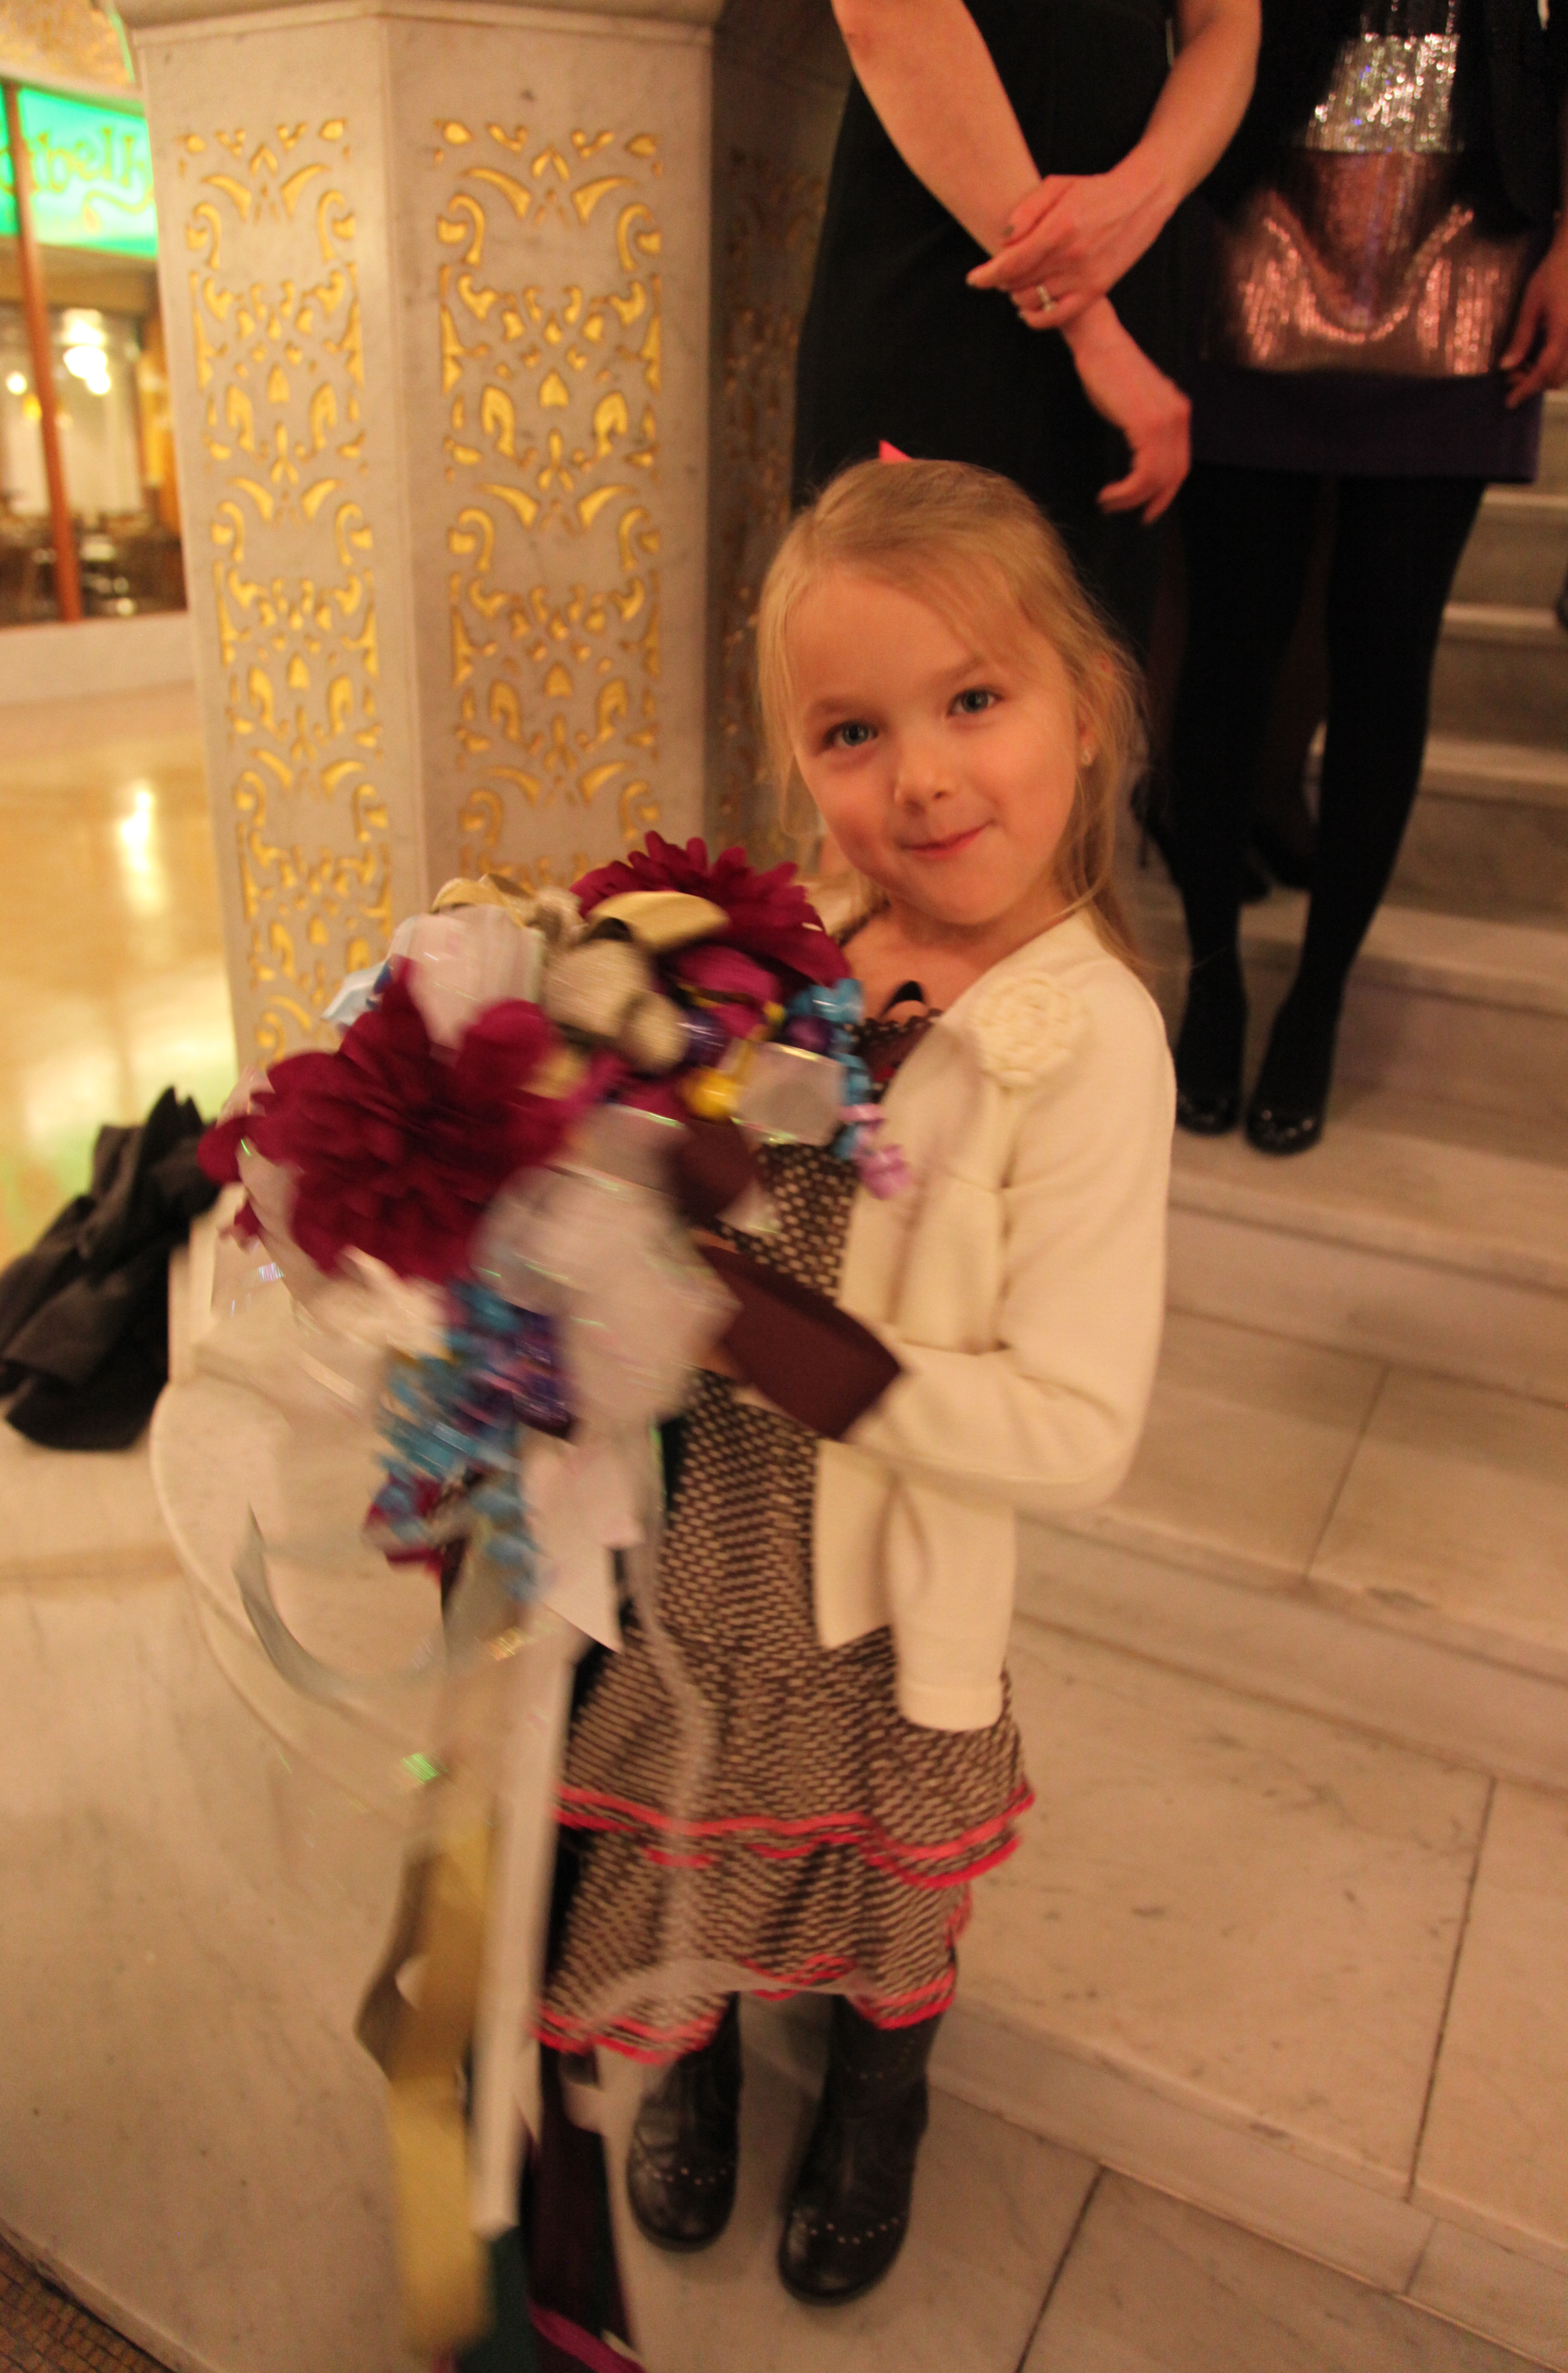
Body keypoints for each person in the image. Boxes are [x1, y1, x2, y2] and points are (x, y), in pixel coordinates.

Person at [538, 459, 1175, 2303]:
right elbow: (719, 1164)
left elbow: (1077, 1427)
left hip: (882, 1580)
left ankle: (881, 2093)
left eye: (975, 699)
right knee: (683, 1809)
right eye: (852, 732)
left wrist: (766, 1336)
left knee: (881, 1859)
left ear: (1085, 703)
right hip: (701, 1535)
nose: (922, 778)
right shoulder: (793, 940)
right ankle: (699, 2048)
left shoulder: (1089, 1044)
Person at [1167, 0, 1568, 1152]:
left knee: (1388, 654)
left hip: (1475, 237)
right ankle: (1212, 978)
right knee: (1230, 645)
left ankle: (1320, 996)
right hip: (1253, 219)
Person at [792, 0, 1260, 651]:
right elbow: (884, 1)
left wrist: (1142, 195)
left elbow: (1225, 19)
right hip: (937, 249)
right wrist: (1088, 322)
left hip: (1125, 247)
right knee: (899, 654)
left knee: (1084, 669)